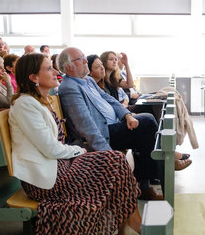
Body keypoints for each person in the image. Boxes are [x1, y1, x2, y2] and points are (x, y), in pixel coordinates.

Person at [9, 53, 142, 235]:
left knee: (114, 159)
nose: (55, 71)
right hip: (45, 180)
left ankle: (129, 231)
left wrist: (76, 152)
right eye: (48, 69)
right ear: (34, 77)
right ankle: (131, 230)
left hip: (58, 166)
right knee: (114, 161)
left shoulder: (41, 101)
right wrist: (79, 151)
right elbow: (51, 149)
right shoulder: (25, 105)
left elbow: (54, 148)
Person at [58, 47, 163, 201]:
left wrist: (127, 115)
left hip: (115, 124)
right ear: (69, 67)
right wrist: (108, 153)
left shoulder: (87, 81)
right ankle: (159, 167)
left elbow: (110, 100)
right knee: (147, 120)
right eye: (80, 59)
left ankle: (144, 185)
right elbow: (85, 125)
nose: (86, 60)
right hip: (104, 133)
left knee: (144, 133)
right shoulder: (69, 88)